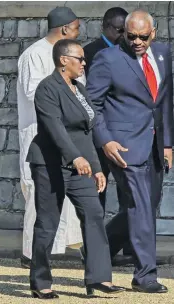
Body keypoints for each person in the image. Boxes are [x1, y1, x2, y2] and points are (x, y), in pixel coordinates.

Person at [26, 39, 125, 299]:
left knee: (93, 214)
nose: (84, 62)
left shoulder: (80, 89)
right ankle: (40, 281)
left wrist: (95, 167)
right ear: (63, 60)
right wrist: (75, 158)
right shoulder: (47, 89)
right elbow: (55, 129)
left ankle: (99, 278)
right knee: (48, 223)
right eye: (80, 58)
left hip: (80, 166)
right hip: (50, 164)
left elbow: (86, 131)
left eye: (84, 59)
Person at [87, 9, 172, 293]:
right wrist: (105, 140)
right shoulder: (108, 59)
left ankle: (101, 247)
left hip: (155, 145)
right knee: (140, 207)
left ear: (153, 34)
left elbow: (163, 103)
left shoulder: (162, 54)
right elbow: (92, 105)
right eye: (131, 35)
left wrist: (168, 143)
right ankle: (145, 275)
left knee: (148, 206)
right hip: (123, 146)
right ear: (123, 33)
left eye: (143, 36)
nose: (137, 41)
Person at [17, 6, 84, 268]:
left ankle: (69, 248)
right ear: (65, 29)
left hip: (68, 134)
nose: (79, 33)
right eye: (77, 28)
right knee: (39, 192)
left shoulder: (73, 56)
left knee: (69, 191)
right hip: (39, 134)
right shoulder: (33, 55)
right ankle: (31, 254)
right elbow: (35, 94)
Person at [82, 6, 136, 267]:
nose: (122, 35)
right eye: (118, 30)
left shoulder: (129, 52)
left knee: (130, 196)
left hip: (122, 136)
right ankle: (94, 251)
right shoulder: (89, 53)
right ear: (104, 26)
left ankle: (128, 247)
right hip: (97, 135)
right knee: (97, 196)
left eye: (125, 31)